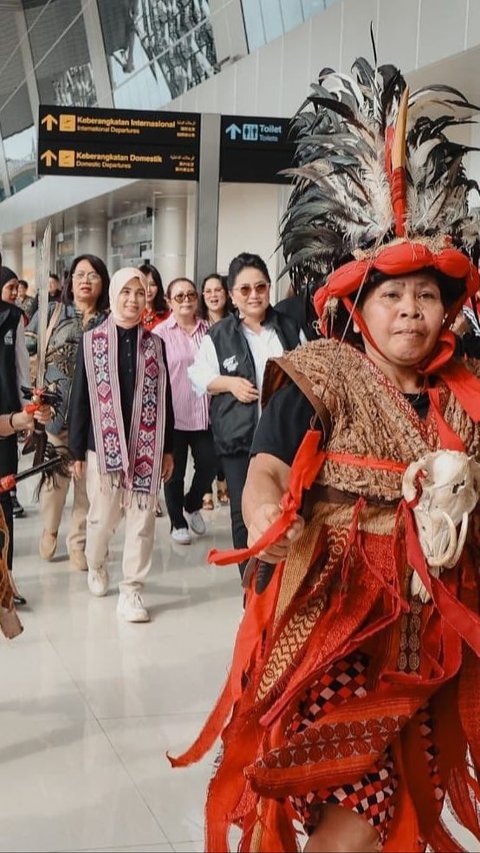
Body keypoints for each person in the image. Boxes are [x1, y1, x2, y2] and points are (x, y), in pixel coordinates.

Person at [171, 61, 480, 852]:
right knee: (355, 802)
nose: (410, 310)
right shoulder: (325, 371)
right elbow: (269, 466)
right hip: (338, 626)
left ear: (448, 304)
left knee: (407, 792)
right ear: (358, 305)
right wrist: (270, 512)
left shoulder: (467, 388)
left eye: (425, 295)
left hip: (434, 638)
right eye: (391, 296)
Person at [188, 252, 304, 576]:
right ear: (232, 295)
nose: (254, 296)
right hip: (239, 440)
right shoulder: (219, 335)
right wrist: (229, 384)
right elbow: (198, 376)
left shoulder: (289, 329)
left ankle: (286, 582)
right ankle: (251, 588)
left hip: (286, 440)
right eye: (245, 290)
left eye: (260, 287)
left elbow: (311, 370)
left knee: (287, 509)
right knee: (245, 515)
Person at [68, 267, 174, 622]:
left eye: (139, 292)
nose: (132, 299)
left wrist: (169, 448)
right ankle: (96, 564)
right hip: (103, 448)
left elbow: (165, 400)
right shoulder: (92, 340)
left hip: (146, 445)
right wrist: (75, 451)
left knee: (142, 521)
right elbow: (80, 399)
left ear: (148, 298)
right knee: (102, 520)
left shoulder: (156, 344)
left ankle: (131, 591)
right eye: (125, 292)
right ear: (113, 295)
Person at [25, 254, 110, 571]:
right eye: (79, 274)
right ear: (70, 281)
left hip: (95, 419)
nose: (85, 280)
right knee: (54, 483)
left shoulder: (110, 321)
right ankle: (50, 528)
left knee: (88, 486)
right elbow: (25, 352)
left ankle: (79, 543)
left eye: (93, 275)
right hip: (55, 413)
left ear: (102, 282)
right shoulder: (53, 313)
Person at [154, 277, 216, 545]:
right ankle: (177, 522)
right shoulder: (159, 334)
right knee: (174, 473)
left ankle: (191, 505)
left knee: (211, 464)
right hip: (174, 416)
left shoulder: (210, 330)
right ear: (168, 301)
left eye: (190, 294)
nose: (186, 300)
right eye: (179, 296)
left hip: (206, 413)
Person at [0, 268, 39, 604]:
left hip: (6, 420)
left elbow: (21, 368)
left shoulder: (14, 318)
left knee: (3, 502)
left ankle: (5, 582)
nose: (13, 292)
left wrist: (28, 416)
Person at [198, 273, 233, 510]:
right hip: (201, 397)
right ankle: (205, 490)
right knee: (205, 449)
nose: (213, 295)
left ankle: (223, 481)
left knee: (224, 444)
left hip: (228, 395)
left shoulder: (236, 323)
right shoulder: (197, 325)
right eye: (208, 291)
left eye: (217, 290)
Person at [139, 262, 170, 331]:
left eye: (152, 284)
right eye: (144, 284)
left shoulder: (168, 315)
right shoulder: (133, 313)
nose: (148, 290)